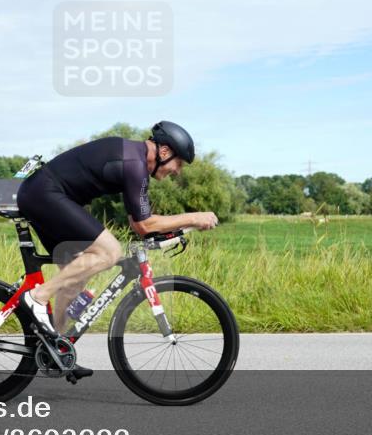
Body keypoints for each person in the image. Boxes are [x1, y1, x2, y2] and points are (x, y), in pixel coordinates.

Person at [14, 121, 219, 374]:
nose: (178, 171)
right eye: (179, 163)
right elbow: (145, 225)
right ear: (165, 152)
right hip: (45, 194)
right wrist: (194, 217)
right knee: (109, 252)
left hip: (46, 194)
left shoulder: (135, 162)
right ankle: (37, 297)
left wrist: (173, 230)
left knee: (74, 279)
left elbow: (138, 222)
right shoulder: (135, 165)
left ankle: (54, 348)